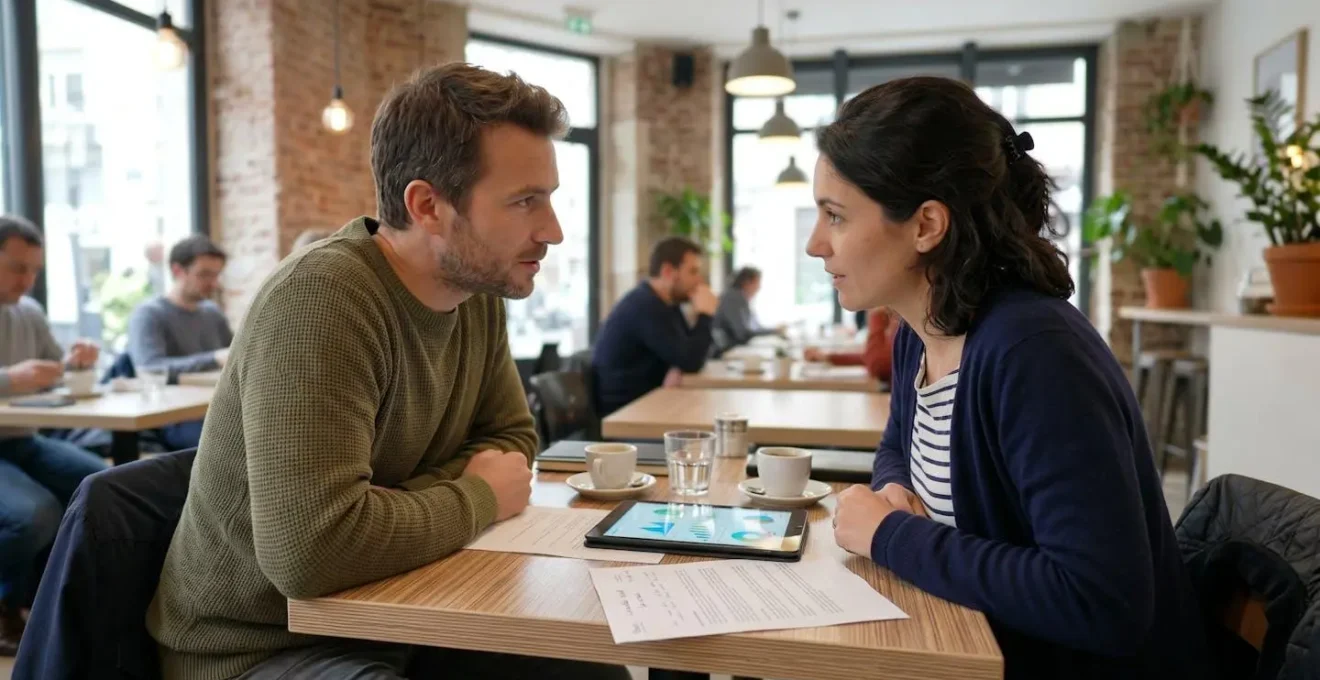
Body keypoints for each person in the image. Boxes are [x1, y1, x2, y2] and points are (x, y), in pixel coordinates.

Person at [146, 64, 627, 680]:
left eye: (550, 198)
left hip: (401, 604)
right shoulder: (321, 301)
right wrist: (476, 494)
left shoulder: (475, 292)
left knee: (591, 669)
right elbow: (311, 550)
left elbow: (511, 443)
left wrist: (387, 511)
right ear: (428, 205)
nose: (553, 230)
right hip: (256, 649)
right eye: (524, 201)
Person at [818, 78, 1210, 679]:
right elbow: (898, 444)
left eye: (836, 217)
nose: (816, 244)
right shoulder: (919, 330)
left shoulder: (1035, 355)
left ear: (926, 225)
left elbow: (1103, 603)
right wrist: (894, 490)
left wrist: (892, 536)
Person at [0, 216, 107, 656]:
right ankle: (7, 604)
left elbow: (53, 375)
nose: (27, 280)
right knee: (34, 514)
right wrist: (9, 378)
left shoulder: (29, 314)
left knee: (100, 485)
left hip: (22, 439)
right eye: (16, 267)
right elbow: (20, 380)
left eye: (34, 271)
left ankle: (45, 602)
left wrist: (76, 361)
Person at [127, 235, 234, 449]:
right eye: (204, 274)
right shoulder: (149, 314)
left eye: (216, 275)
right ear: (177, 271)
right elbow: (150, 368)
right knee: (227, 443)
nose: (213, 283)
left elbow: (234, 359)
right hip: (171, 418)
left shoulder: (213, 314)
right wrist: (213, 359)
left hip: (213, 408)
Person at [592, 237, 717, 416]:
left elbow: (689, 353)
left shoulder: (666, 304)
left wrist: (677, 365)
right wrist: (705, 315)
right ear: (667, 271)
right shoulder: (645, 305)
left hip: (649, 405)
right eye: (693, 272)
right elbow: (691, 360)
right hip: (627, 416)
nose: (699, 281)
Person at [803, 307, 900, 382]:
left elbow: (877, 365)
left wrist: (876, 313)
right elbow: (871, 358)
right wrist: (828, 357)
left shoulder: (900, 322)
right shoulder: (895, 319)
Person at [712, 266, 781, 348]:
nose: (759, 287)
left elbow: (755, 326)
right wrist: (774, 331)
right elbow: (742, 333)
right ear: (746, 283)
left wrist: (775, 330)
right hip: (727, 351)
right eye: (757, 283)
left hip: (734, 348)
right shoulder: (733, 298)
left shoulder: (741, 299)